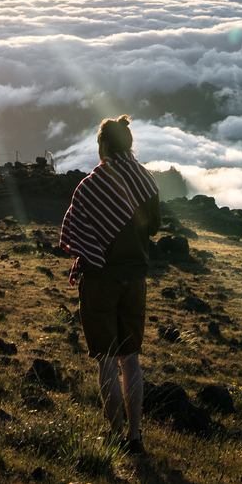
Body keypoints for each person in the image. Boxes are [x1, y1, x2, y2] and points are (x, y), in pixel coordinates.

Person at [58, 114, 160, 454]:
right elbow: (155, 228)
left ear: (102, 146)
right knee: (130, 359)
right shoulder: (146, 181)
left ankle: (115, 432)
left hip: (100, 281)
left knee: (106, 359)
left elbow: (74, 233)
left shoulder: (90, 186)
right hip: (135, 280)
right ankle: (135, 436)